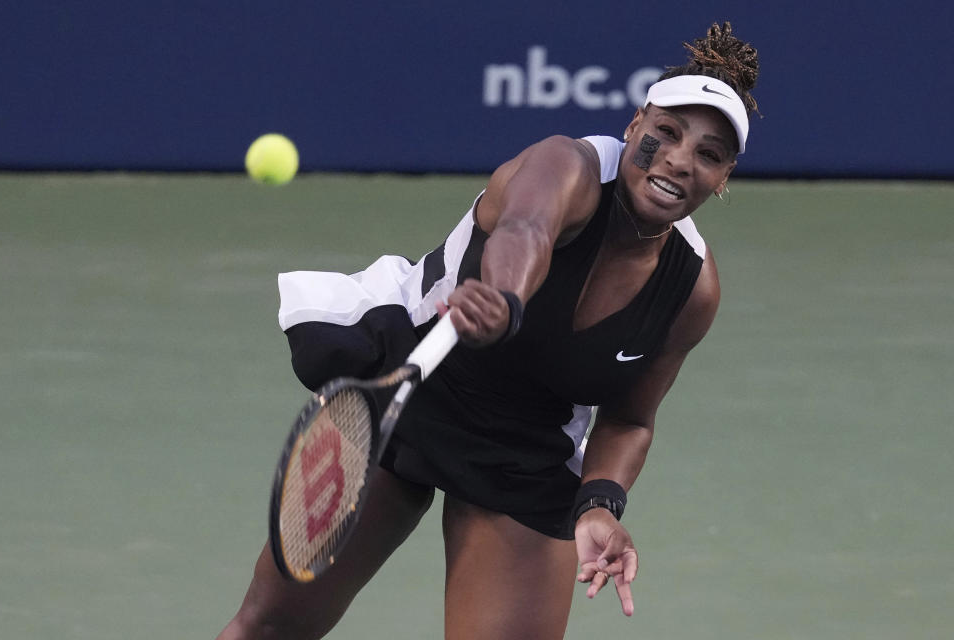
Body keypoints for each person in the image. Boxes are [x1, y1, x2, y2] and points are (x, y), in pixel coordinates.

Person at [218, 21, 760, 640]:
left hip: (523, 450)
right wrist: (504, 301)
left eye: (708, 155)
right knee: (266, 631)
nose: (678, 160)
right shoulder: (567, 165)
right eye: (666, 133)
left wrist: (600, 502)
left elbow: (629, 419)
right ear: (635, 123)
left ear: (724, 178)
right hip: (410, 386)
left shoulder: (692, 288)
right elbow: (525, 230)